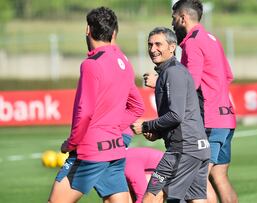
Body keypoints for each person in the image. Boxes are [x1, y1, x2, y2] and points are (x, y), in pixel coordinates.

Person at [48, 7, 144, 203]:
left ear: (87, 30)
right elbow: (137, 107)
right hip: (115, 148)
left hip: (90, 150)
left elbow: (85, 113)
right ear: (113, 32)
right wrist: (111, 127)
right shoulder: (123, 60)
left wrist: (71, 143)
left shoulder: (91, 64)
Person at [132, 27, 210, 203]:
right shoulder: (173, 71)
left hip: (183, 150)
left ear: (172, 47)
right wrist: (159, 132)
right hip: (198, 148)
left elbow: (176, 115)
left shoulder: (173, 72)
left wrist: (145, 126)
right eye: (150, 44)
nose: (153, 49)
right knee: (196, 200)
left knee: (151, 199)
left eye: (158, 44)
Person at [172, 1, 238, 202]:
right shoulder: (211, 38)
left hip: (209, 120)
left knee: (196, 179)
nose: (172, 23)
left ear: (183, 18)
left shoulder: (192, 42)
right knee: (219, 177)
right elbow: (228, 75)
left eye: (174, 18)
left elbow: (190, 82)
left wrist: (162, 83)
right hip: (226, 117)